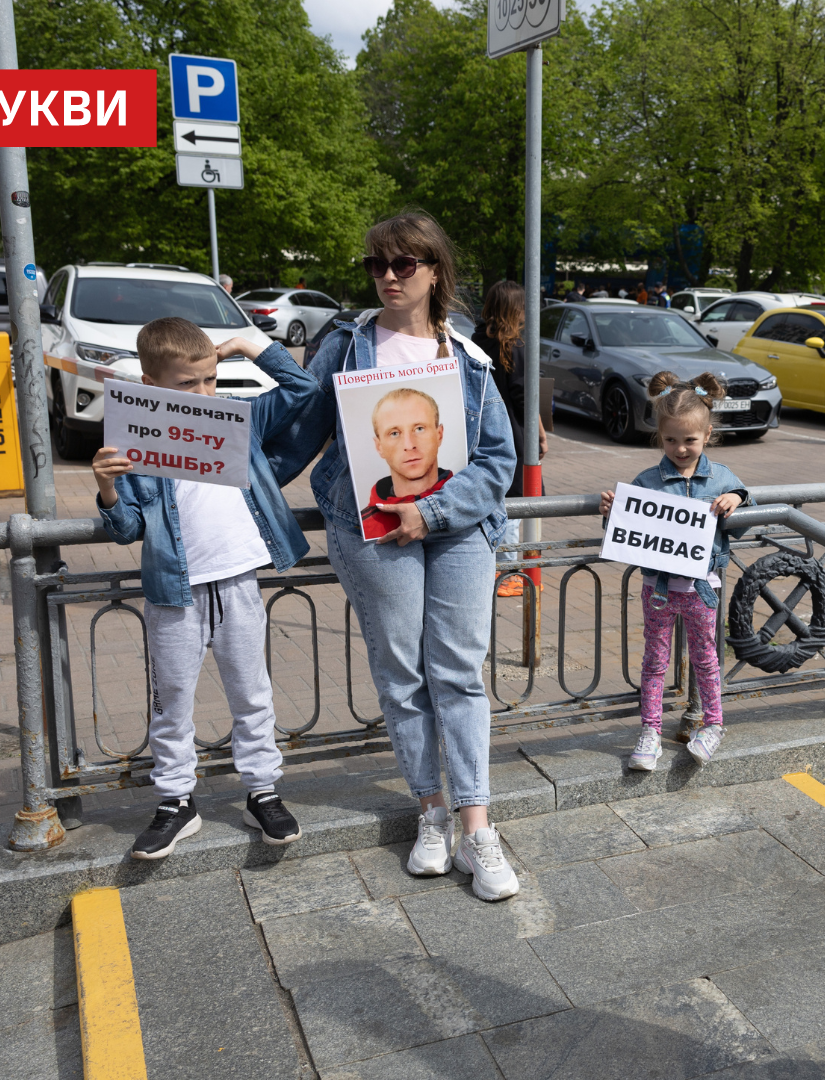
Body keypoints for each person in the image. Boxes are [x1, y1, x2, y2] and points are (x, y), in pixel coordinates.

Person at [276, 209, 521, 901]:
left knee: (458, 672)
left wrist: (433, 510)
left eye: (403, 263)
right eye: (376, 264)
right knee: (404, 674)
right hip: (372, 528)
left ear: (434, 271)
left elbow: (496, 459)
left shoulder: (466, 355)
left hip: (458, 529)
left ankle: (478, 828)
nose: (387, 276)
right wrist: (211, 463)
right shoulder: (346, 345)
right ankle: (430, 812)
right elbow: (296, 432)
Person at [91, 317, 318, 859]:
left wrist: (247, 346)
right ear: (150, 384)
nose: (203, 393)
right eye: (186, 383)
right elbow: (127, 528)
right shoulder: (134, 437)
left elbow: (303, 389)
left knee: (252, 693)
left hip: (238, 578)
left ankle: (262, 792)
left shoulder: (236, 419)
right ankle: (175, 801)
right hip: (174, 590)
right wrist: (106, 487)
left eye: (210, 379)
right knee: (171, 701)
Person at [598, 372, 750, 770]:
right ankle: (650, 731)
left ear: (708, 435)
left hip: (703, 589)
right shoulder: (647, 482)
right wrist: (612, 513)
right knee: (654, 661)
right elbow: (625, 531)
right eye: (670, 440)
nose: (680, 449)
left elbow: (745, 504)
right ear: (659, 436)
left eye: (690, 440)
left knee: (706, 659)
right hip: (658, 589)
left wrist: (735, 499)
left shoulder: (721, 478)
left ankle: (713, 725)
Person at [472, 280, 549, 597]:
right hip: (514, 434)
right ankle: (509, 573)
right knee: (517, 504)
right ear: (516, 310)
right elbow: (526, 399)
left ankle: (494, 567)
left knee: (493, 499)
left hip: (482, 431)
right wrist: (541, 434)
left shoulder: (477, 340)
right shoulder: (516, 347)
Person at [360, 388, 449, 541]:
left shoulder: (465, 500)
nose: (409, 445)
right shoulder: (366, 525)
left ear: (439, 435)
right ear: (379, 447)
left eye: (419, 429)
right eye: (394, 433)